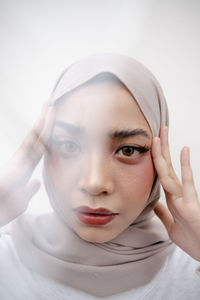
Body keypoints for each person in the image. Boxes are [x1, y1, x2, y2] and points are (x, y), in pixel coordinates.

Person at [0, 53, 200, 300]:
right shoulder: (6, 256)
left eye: (128, 150)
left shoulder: (192, 269)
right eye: (69, 146)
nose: (95, 183)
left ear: (160, 156)